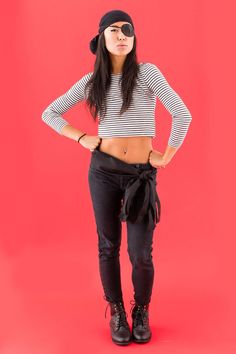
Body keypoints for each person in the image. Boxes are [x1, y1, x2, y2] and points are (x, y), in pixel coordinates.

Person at [41, 9, 192, 346]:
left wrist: (167, 154)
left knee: (141, 253)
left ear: (134, 38)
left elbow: (182, 114)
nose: (122, 35)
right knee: (108, 246)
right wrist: (81, 137)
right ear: (101, 39)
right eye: (114, 30)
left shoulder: (148, 74)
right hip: (104, 172)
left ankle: (142, 310)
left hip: (141, 175)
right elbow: (49, 112)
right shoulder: (92, 82)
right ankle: (118, 312)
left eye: (128, 29)